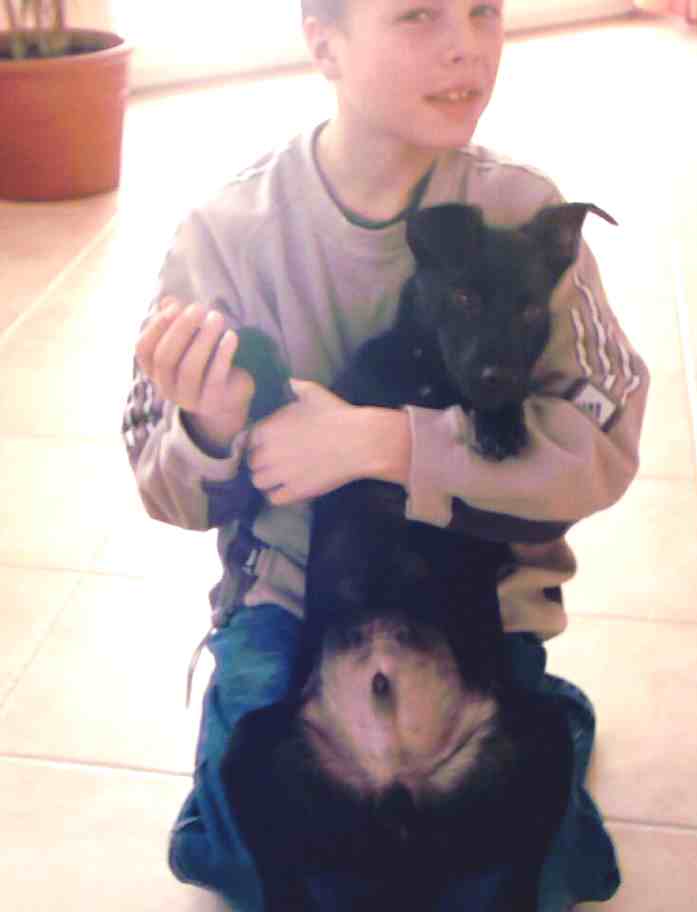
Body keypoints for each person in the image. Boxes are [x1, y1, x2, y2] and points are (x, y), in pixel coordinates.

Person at [122, 1, 649, 909]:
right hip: (295, 601)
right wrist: (207, 430)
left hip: (476, 605)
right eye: (417, 15)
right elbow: (157, 476)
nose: (466, 45)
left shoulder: (525, 216)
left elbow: (603, 441)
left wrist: (387, 444)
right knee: (284, 853)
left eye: (484, 10)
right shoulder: (226, 232)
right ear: (323, 41)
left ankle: (547, 724)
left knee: (501, 881)